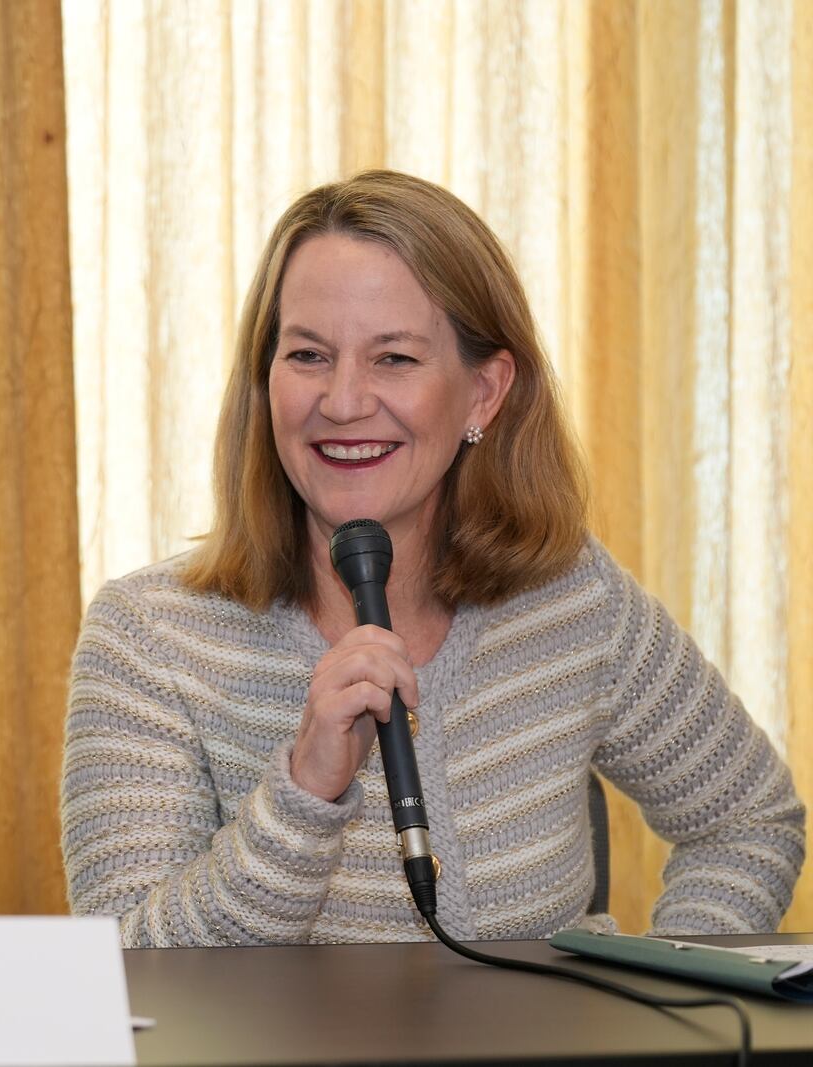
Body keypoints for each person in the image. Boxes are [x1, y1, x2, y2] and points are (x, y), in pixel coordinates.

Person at [62, 171, 805, 946]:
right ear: (265, 382)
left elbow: (748, 820)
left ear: (484, 393)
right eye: (309, 354)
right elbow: (125, 965)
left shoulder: (569, 594)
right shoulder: (147, 637)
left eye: (394, 359)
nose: (344, 401)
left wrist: (661, 1000)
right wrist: (304, 795)